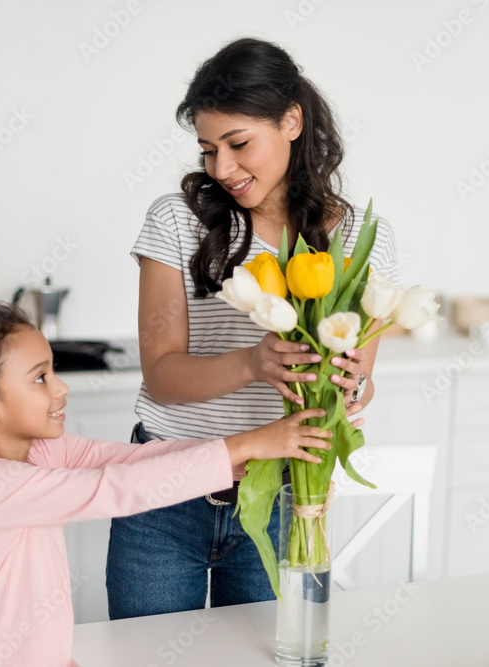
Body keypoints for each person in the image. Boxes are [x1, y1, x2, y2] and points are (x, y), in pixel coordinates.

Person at [106, 37, 401, 619]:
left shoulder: (360, 236)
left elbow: (361, 382)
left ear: (291, 121)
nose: (222, 169)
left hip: (285, 496)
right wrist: (253, 363)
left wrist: (346, 383)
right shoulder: (177, 221)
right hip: (166, 492)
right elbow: (162, 378)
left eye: (239, 144)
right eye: (209, 149)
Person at [0, 297, 336, 667]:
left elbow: (128, 460)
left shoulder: (37, 451)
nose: (61, 388)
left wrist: (237, 457)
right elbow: (114, 488)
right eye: (40, 377)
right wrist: (242, 446)